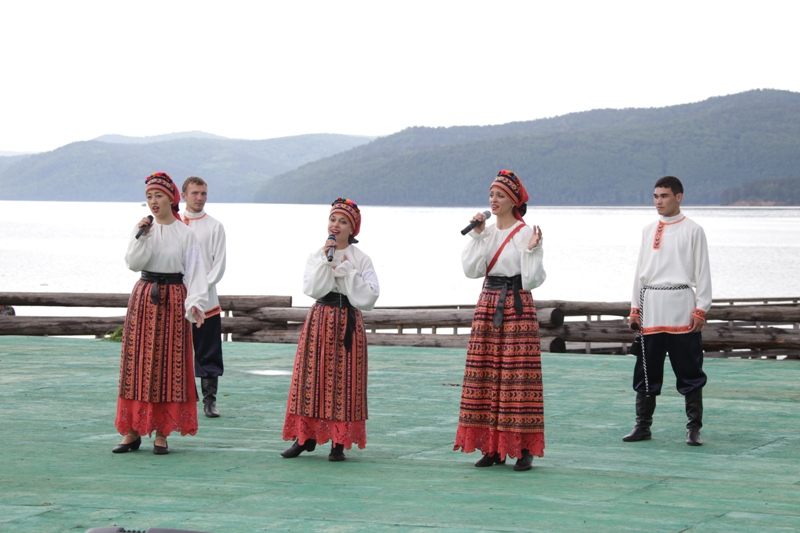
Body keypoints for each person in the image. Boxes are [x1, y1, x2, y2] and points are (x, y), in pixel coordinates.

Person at [454, 170, 546, 472]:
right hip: (488, 303)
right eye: (492, 195)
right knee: (485, 373)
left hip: (517, 305)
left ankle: (523, 448)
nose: (493, 200)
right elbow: (471, 270)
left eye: (500, 195)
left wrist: (532, 250)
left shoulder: (525, 232)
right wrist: (478, 236)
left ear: (514, 201)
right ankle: (492, 447)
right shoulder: (487, 232)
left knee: (518, 377)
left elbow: (532, 279)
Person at [113, 172, 208, 455]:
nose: (153, 202)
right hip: (144, 296)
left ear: (171, 199)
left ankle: (161, 432)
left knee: (168, 365)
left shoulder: (185, 233)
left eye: (158, 196)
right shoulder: (144, 229)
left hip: (173, 299)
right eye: (149, 197)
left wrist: (195, 303)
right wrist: (141, 237)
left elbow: (195, 271)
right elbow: (133, 263)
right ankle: (132, 431)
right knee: (137, 363)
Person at [281, 198, 380, 462]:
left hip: (348, 320)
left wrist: (348, 273)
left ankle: (339, 442)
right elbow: (311, 289)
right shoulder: (318, 255)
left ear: (353, 228)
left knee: (345, 381)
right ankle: (305, 437)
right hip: (320, 318)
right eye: (333, 219)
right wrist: (326, 264)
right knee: (310, 378)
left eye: (343, 221)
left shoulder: (361, 259)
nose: (336, 225)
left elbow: (370, 298)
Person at [624, 175, 711, 446]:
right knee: (646, 369)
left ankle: (693, 428)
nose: (658, 201)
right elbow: (640, 271)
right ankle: (642, 426)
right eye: (655, 196)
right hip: (651, 306)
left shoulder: (693, 230)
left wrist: (701, 308)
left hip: (681, 304)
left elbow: (703, 271)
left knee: (689, 369)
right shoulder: (648, 230)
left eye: (664, 196)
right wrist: (635, 308)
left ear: (678, 197)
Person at [181, 176, 227, 418]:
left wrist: (199, 291)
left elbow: (218, 266)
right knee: (174, 351)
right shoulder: (174, 224)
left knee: (208, 350)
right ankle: (177, 400)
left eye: (203, 193)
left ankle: (210, 401)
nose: (200, 198)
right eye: (195, 193)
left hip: (207, 299)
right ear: (183, 195)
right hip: (176, 299)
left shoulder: (215, 226)